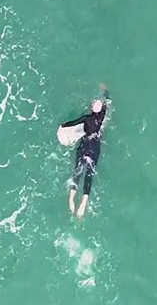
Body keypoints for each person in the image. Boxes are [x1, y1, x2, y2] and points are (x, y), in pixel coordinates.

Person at [62, 87, 109, 219]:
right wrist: (105, 93)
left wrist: (63, 125)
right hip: (95, 146)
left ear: (91, 109)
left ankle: (71, 199)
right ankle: (83, 203)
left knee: (78, 171)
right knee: (89, 174)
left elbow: (73, 123)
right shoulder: (101, 118)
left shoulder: (86, 118)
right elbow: (106, 104)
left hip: (85, 145)